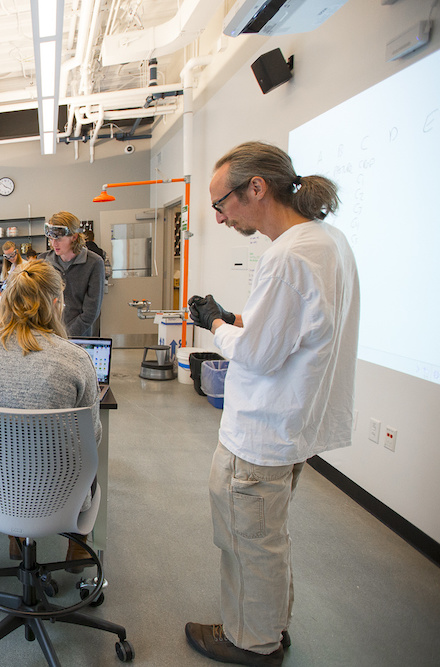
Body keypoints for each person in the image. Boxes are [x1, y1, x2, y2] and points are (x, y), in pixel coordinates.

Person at [184, 142, 359, 667]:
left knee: (247, 540)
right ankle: (268, 627)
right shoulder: (328, 243)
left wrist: (214, 324)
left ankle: (251, 643)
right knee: (267, 536)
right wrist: (237, 318)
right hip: (292, 425)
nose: (219, 216)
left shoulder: (286, 256)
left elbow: (257, 354)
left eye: (222, 203)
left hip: (259, 433)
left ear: (255, 187)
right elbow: (288, 335)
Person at [0, 258, 101, 566]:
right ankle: (78, 546)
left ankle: (16, 538)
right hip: (60, 494)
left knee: (7, 449)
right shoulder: (75, 359)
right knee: (87, 460)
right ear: (54, 303)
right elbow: (92, 438)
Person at [37, 211, 105, 337]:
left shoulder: (94, 263)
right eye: (51, 239)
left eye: (59, 239)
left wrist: (66, 337)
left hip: (78, 337)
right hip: (48, 335)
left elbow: (91, 312)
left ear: (74, 237)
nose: (54, 244)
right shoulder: (43, 261)